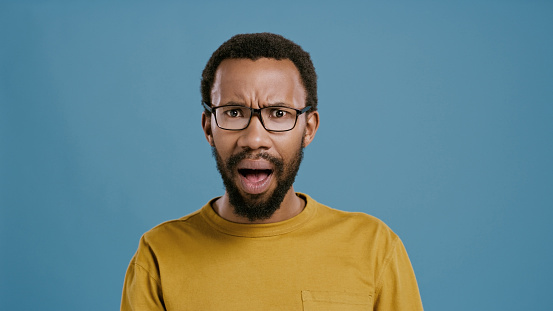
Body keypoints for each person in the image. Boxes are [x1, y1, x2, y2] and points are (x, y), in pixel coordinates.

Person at [121, 32, 423, 310]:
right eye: (234, 112)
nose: (254, 139)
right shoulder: (158, 255)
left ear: (309, 128)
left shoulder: (374, 248)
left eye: (279, 114)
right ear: (208, 128)